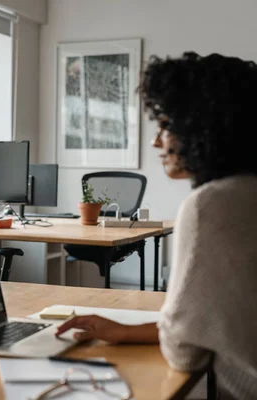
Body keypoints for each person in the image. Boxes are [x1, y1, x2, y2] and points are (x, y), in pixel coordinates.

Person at [56, 52, 257, 399]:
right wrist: (126, 331)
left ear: (203, 127)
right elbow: (215, 329)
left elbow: (185, 354)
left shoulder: (212, 205)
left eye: (165, 124)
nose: (156, 141)